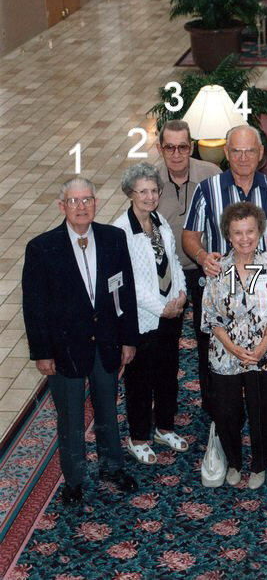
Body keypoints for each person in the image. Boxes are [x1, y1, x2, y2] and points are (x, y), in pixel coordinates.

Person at [22, 177, 139, 504]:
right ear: (62, 206)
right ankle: (74, 480)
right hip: (65, 350)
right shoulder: (42, 248)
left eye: (87, 199)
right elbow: (34, 306)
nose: (81, 206)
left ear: (96, 203)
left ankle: (112, 467)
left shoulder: (114, 239)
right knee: (71, 417)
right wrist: (42, 352)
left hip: (106, 342)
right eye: (74, 201)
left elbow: (125, 291)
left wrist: (128, 339)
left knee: (108, 410)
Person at [183, 125, 267, 444]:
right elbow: (189, 236)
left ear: (261, 154)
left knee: (265, 362)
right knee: (216, 359)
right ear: (226, 153)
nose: (243, 158)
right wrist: (202, 256)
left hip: (263, 302)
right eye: (237, 151)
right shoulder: (208, 189)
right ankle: (220, 420)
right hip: (222, 296)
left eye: (250, 151)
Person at [201, 202, 267, 489]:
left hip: (264, 354)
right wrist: (232, 347)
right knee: (226, 412)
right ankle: (234, 462)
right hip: (225, 354)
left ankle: (259, 464)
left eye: (250, 231)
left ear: (259, 232)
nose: (244, 238)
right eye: (237, 233)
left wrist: (262, 347)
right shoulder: (218, 268)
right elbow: (210, 315)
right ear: (228, 236)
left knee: (263, 411)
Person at [112, 163, 188, 465]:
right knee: (140, 380)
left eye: (154, 190)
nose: (150, 197)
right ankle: (139, 437)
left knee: (168, 374)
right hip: (144, 319)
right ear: (130, 193)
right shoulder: (121, 230)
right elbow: (128, 282)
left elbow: (173, 260)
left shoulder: (159, 221)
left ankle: (164, 427)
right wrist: (162, 308)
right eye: (143, 191)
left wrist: (181, 294)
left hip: (170, 314)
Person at [155, 120, 221, 418]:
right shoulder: (150, 179)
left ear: (191, 147)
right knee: (165, 341)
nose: (176, 154)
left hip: (205, 267)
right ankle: (166, 409)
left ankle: (212, 403)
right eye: (169, 147)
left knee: (208, 336)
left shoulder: (211, 174)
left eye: (182, 147)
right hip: (167, 272)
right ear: (160, 149)